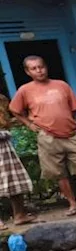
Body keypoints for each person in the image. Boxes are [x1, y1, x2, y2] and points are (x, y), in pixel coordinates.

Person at [9, 56, 76, 216]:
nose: (39, 71)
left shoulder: (61, 85)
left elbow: (75, 107)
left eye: (41, 66)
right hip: (47, 137)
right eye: (34, 68)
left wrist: (66, 120)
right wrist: (29, 124)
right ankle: (72, 204)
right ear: (27, 72)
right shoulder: (25, 90)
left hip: (70, 134)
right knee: (59, 173)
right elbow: (15, 109)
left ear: (46, 67)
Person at [0, 94, 35, 228]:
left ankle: (20, 215)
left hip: (6, 153)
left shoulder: (2, 103)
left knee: (15, 183)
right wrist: (6, 134)